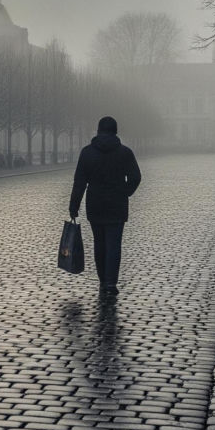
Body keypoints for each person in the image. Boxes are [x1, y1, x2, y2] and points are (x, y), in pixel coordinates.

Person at [69, 116, 142, 296]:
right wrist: (125, 192)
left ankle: (102, 280)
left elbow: (79, 182)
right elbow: (136, 177)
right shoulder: (125, 153)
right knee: (114, 245)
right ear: (115, 131)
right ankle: (111, 282)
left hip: (95, 203)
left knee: (99, 244)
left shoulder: (87, 153)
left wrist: (74, 205)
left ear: (98, 130)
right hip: (117, 204)